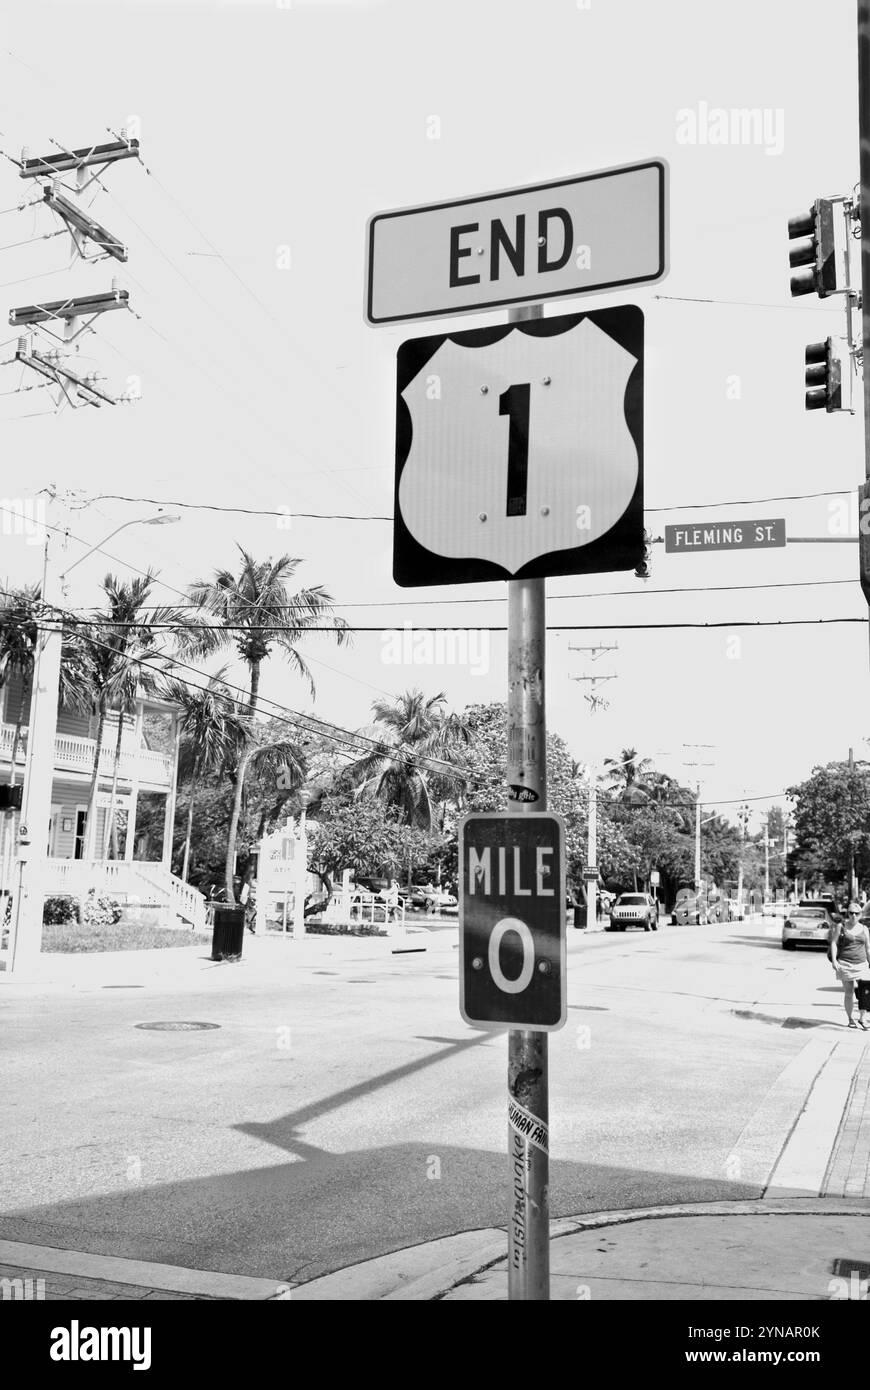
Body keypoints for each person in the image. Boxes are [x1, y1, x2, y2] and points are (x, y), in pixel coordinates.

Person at [828, 902, 870, 1030]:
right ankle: (850, 1019)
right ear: (847, 914)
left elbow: (868, 948)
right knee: (849, 993)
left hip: (862, 964)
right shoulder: (841, 927)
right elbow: (834, 943)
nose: (853, 916)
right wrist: (834, 961)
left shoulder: (864, 929)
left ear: (860, 915)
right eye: (851, 913)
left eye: (856, 913)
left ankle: (863, 1018)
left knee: (865, 992)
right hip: (845, 963)